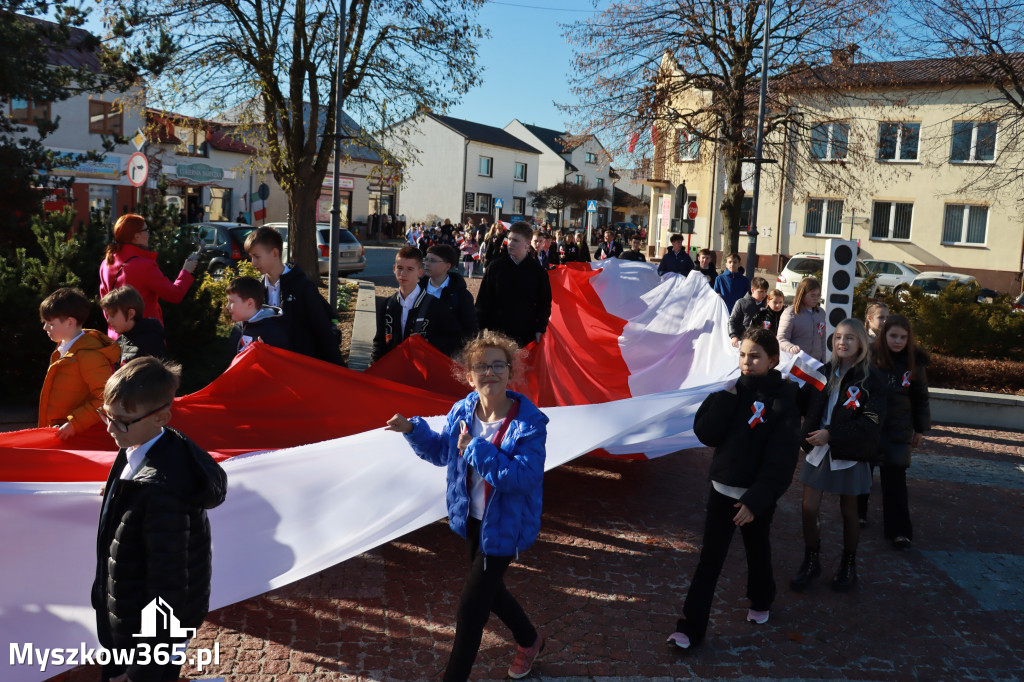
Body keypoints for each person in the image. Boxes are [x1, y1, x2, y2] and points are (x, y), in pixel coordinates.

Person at [385, 331, 547, 681]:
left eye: (498, 365)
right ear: (469, 375)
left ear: (510, 371)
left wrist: (476, 447)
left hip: (505, 525)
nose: (490, 372)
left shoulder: (529, 423)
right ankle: (530, 640)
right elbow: (444, 452)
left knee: (472, 608)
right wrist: (412, 429)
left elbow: (521, 479)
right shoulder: (463, 410)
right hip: (471, 519)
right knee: (491, 590)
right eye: (481, 367)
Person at [93, 357, 227, 682]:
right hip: (127, 614)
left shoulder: (162, 493)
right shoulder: (140, 444)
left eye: (121, 421)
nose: (110, 428)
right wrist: (118, 493)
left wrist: (143, 668)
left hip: (143, 637)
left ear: (161, 417)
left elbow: (167, 590)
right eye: (106, 416)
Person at [667, 328, 801, 650]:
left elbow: (781, 460)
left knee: (757, 551)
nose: (746, 362)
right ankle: (691, 628)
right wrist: (725, 399)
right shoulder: (731, 390)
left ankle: (761, 598)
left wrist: (756, 499)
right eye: (742, 355)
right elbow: (706, 433)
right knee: (710, 559)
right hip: (722, 490)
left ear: (772, 360)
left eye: (754, 356)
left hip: (755, 497)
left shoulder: (783, 401)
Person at [791, 319, 887, 592]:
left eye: (850, 338)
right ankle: (811, 561)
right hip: (818, 449)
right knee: (809, 508)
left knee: (849, 512)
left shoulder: (872, 379)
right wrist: (789, 385)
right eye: (838, 338)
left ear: (861, 344)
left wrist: (832, 434)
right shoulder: (824, 371)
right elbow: (803, 403)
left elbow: (871, 422)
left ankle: (848, 564)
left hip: (849, 452)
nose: (842, 343)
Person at [868, 315, 930, 549]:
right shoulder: (871, 357)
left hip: (899, 428)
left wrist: (920, 428)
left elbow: (921, 397)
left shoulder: (914, 362)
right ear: (884, 335)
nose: (898, 341)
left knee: (895, 482)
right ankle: (859, 515)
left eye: (903, 337)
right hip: (872, 425)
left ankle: (899, 530)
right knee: (864, 474)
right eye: (893, 336)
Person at [244, 226, 344, 365]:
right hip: (272, 369)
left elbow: (323, 333)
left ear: (274, 253)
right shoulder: (258, 290)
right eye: (251, 257)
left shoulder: (303, 287)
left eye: (257, 256)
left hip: (300, 369)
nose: (253, 263)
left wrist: (340, 373)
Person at [38, 287, 121, 440]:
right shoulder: (64, 347)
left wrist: (75, 423)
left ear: (70, 322)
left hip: (77, 436)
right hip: (62, 432)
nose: (45, 328)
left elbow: (105, 398)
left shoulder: (89, 354)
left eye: (50, 323)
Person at [98, 213, 197, 338]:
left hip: (116, 336)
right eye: (146, 230)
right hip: (144, 336)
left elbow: (105, 304)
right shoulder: (144, 265)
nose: (149, 234)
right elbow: (175, 294)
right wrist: (186, 272)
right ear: (136, 236)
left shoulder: (106, 263)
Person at [373, 246, 460, 362]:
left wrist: (426, 342)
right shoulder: (387, 305)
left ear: (420, 272)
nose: (403, 273)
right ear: (394, 269)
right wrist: (372, 368)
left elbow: (454, 339)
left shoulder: (436, 306)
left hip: (424, 371)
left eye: (410, 269)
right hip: (393, 370)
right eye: (400, 268)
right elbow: (379, 342)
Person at [475, 222, 553, 348]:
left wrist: (540, 328)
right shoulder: (495, 267)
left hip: (526, 334)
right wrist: (479, 328)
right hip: (497, 335)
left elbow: (544, 302)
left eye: (515, 240)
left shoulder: (538, 272)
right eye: (509, 239)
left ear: (527, 245)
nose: (510, 243)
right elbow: (483, 300)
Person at [422, 244, 480, 346]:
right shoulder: (416, 289)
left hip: (447, 355)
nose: (426, 263)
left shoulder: (461, 295)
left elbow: (471, 332)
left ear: (447, 266)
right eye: (426, 259)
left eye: (433, 260)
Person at [100, 285, 167, 365]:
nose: (108, 320)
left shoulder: (150, 341)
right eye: (108, 315)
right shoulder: (121, 341)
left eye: (112, 315)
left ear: (131, 313)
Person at [226, 275, 289, 354]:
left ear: (250, 303)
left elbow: (279, 362)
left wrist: (265, 354)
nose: (227, 306)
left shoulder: (273, 331)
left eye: (231, 302)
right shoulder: (238, 327)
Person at [778, 277, 826, 363]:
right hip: (796, 363)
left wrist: (824, 361)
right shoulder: (790, 313)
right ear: (802, 294)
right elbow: (781, 338)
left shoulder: (821, 313)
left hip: (816, 363)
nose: (816, 298)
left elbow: (822, 340)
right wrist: (790, 347)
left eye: (818, 295)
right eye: (812, 295)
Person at [728, 276, 770, 347]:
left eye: (765, 291)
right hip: (744, 340)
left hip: (762, 342)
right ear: (752, 290)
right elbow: (732, 321)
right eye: (761, 291)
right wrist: (733, 336)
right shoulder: (741, 303)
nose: (764, 294)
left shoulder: (768, 303)